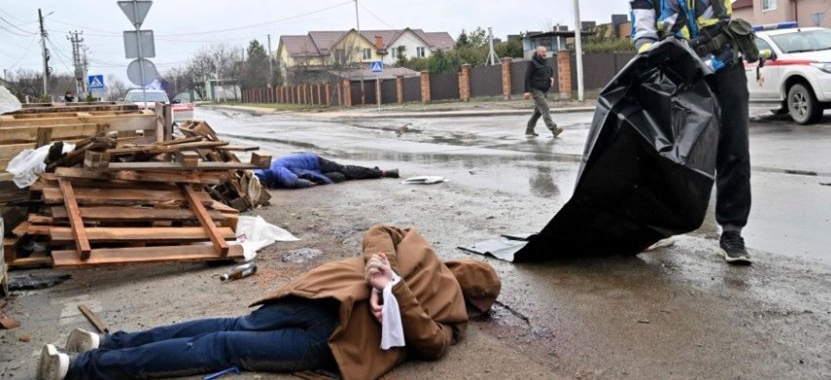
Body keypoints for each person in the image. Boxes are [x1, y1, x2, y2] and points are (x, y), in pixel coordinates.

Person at [37, 225, 501, 380]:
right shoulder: (453, 312)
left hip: (315, 297)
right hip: (334, 339)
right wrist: (389, 283)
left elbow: (378, 234)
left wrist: (382, 275)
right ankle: (79, 370)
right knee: (225, 345)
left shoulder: (415, 245)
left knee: (223, 326)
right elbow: (431, 344)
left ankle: (103, 342)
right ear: (475, 303)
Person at [629, 0, 814, 264]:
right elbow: (643, 31)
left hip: (725, 64)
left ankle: (731, 233)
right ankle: (659, 226)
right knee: (673, 153)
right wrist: (651, 59)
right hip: (683, 74)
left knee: (733, 148)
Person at [254, 152, 399, 189]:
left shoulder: (274, 168)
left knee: (346, 170)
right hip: (316, 172)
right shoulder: (270, 171)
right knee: (341, 176)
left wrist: (309, 184)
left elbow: (291, 180)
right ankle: (370, 172)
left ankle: (383, 172)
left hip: (316, 162)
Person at [523, 46, 564, 138]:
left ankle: (529, 129)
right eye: (542, 52)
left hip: (544, 90)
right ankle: (554, 129)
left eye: (545, 52)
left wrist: (551, 77)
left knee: (538, 112)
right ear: (538, 53)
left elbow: (550, 71)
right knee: (545, 108)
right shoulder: (532, 63)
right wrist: (526, 91)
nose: (545, 53)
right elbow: (527, 77)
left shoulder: (545, 62)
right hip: (535, 90)